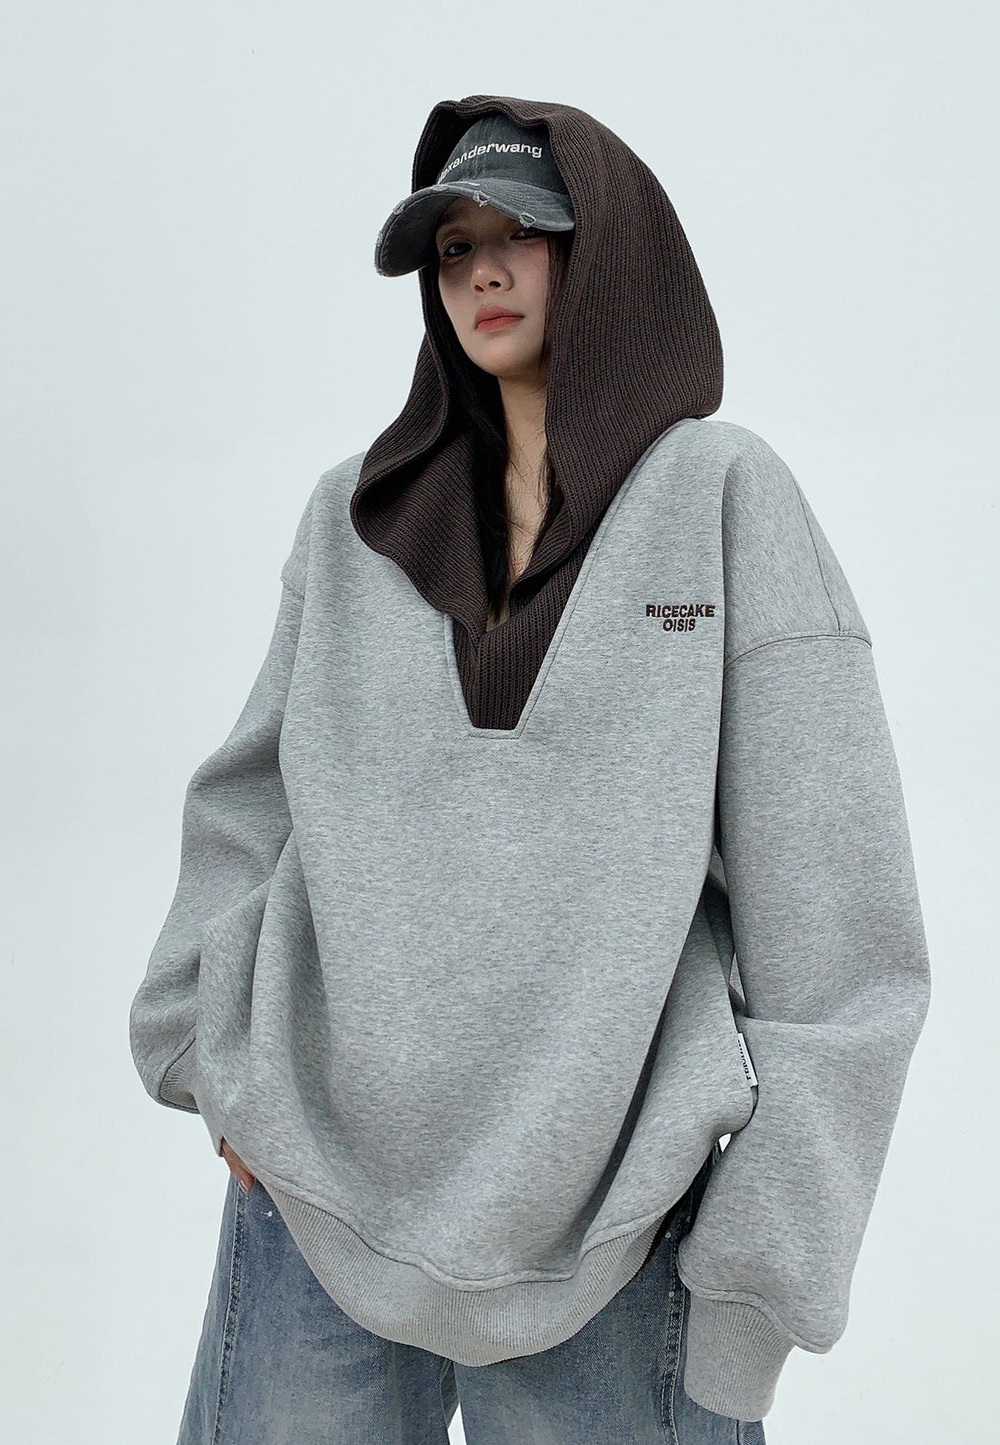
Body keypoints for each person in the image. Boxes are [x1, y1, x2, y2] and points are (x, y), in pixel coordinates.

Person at [128, 94, 932, 1444]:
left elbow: (840, 934)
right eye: (454, 248)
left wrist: (756, 1286)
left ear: (607, 256)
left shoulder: (720, 498)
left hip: (620, 1229)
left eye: (521, 235)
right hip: (314, 1200)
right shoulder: (354, 516)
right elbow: (248, 802)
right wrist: (198, 1049)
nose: (482, 273)